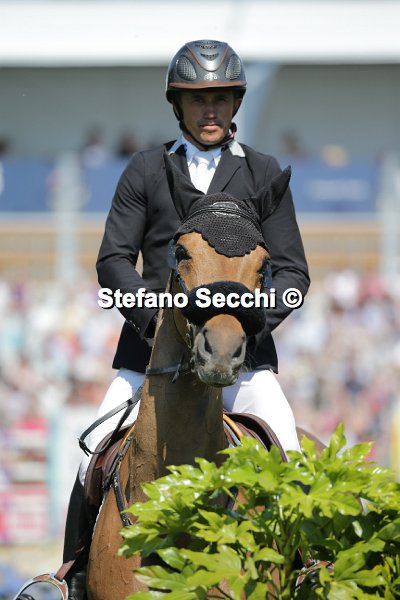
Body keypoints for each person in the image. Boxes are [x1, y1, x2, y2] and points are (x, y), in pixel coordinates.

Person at [63, 40, 310, 599]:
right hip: (152, 357)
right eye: (198, 99)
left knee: (290, 453)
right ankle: (70, 576)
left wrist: (245, 325)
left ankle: (305, 569)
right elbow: (114, 260)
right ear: (178, 105)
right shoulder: (146, 169)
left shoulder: (264, 172)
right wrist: (156, 322)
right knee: (91, 453)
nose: (210, 110)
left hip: (242, 364)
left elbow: (293, 274)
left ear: (236, 102)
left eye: (220, 99)